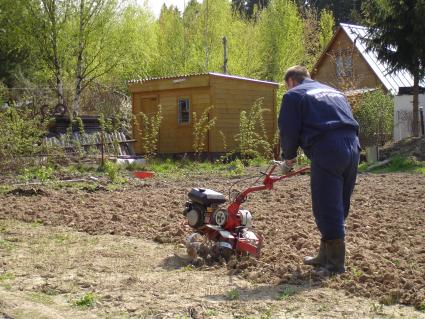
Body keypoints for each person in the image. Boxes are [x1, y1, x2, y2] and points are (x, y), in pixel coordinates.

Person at [277, 65, 360, 274]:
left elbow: (288, 130)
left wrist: (288, 160)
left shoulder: (293, 95)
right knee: (339, 203)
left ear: (292, 81)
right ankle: (325, 255)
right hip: (353, 147)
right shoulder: (334, 92)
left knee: (326, 205)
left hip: (328, 149)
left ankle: (334, 264)